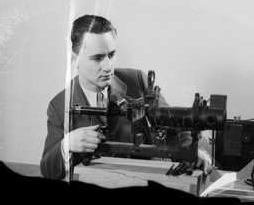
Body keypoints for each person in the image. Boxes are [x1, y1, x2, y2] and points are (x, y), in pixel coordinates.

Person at [40, 14, 213, 180]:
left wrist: (193, 153)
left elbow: (177, 126)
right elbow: (48, 171)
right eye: (97, 58)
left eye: (111, 55)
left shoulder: (137, 81)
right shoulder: (58, 105)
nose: (108, 67)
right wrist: (66, 145)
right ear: (74, 59)